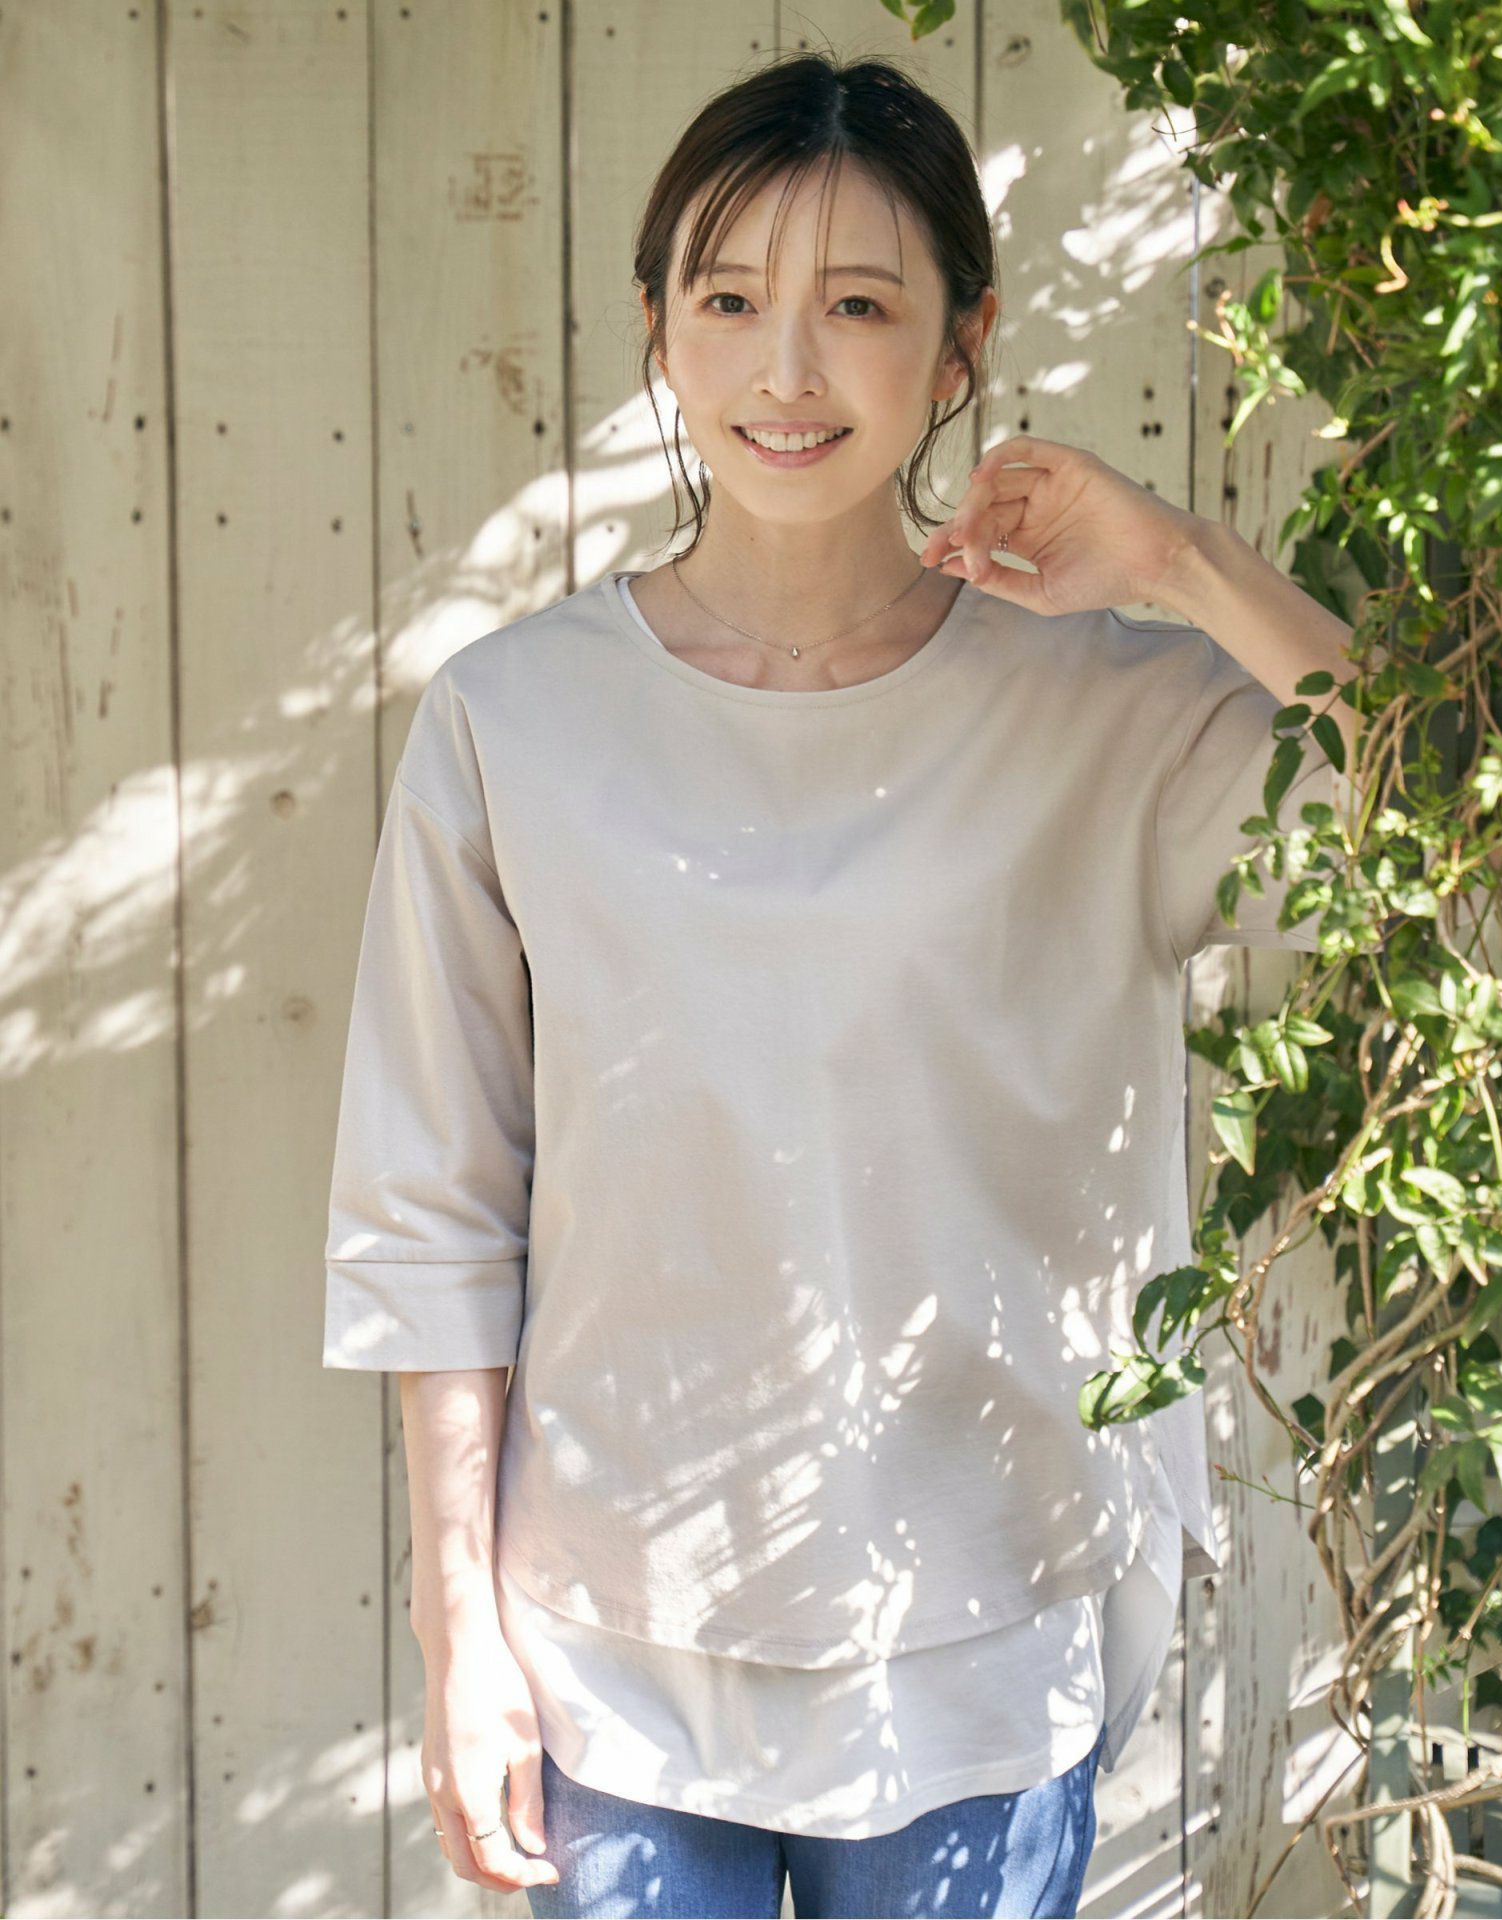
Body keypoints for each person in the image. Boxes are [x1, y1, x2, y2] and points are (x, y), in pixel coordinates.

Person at [321, 49, 1360, 1920]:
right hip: (612, 1647)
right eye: (728, 301)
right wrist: (458, 1633)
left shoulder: (1107, 713)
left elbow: (1430, 824)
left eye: (860, 307)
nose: (786, 371)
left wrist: (1183, 561)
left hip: (982, 1631)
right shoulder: (512, 721)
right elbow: (434, 1210)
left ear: (962, 346)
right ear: (659, 328)